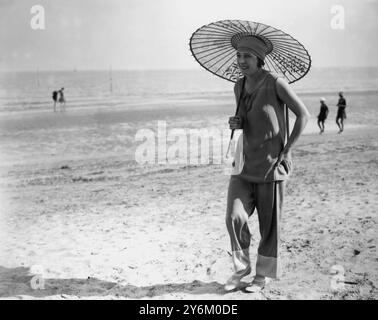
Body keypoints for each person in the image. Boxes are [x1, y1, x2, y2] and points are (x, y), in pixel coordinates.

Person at [225, 36, 310, 293]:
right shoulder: (238, 86)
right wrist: (235, 122)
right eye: (238, 56)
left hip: (271, 165)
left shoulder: (275, 83)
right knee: (234, 217)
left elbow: (303, 115)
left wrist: (287, 151)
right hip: (242, 165)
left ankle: (262, 276)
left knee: (269, 225)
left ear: (259, 58)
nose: (241, 61)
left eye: (247, 56)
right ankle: (241, 269)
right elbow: (244, 120)